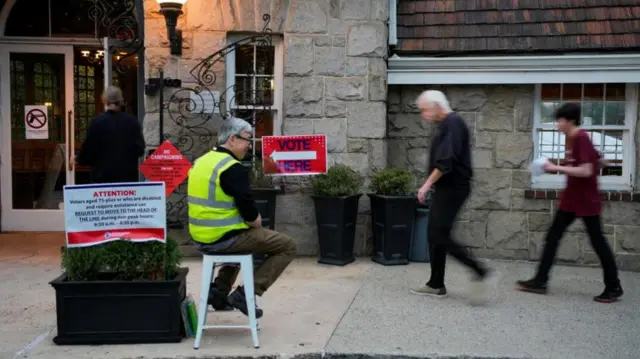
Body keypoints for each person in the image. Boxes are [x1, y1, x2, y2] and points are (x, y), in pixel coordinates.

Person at [187, 117, 297, 318]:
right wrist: (257, 222)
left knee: (244, 237)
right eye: (247, 139)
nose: (249, 145)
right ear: (232, 139)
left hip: (200, 237)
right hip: (222, 239)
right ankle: (245, 295)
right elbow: (249, 214)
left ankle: (219, 292)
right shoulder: (232, 167)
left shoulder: (201, 162)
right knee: (287, 245)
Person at [516, 103, 623, 303]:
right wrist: (565, 164)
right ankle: (540, 280)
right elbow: (600, 161)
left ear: (570, 120)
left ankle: (614, 286)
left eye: (560, 120)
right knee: (553, 236)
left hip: (586, 201)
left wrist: (556, 167)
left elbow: (587, 171)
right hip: (572, 200)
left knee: (598, 242)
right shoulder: (572, 139)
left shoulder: (581, 137)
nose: (557, 124)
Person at [410, 90, 494, 303]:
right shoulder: (446, 125)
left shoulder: (453, 123)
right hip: (446, 188)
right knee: (434, 234)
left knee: (438, 234)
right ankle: (436, 284)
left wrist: (426, 185)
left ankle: (479, 270)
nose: (424, 115)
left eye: (425, 110)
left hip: (453, 188)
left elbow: (446, 160)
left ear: (437, 106)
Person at [75, 86, 145, 183]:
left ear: (105, 101)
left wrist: (78, 159)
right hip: (127, 179)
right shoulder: (132, 122)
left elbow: (88, 152)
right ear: (121, 101)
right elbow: (140, 150)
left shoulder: (97, 122)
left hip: (102, 180)